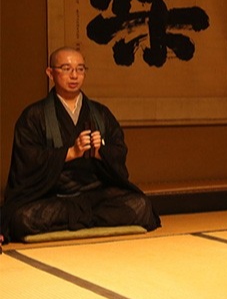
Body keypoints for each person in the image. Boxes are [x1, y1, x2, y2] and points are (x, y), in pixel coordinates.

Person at [1, 47, 160, 244]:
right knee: (23, 219)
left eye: (80, 69)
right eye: (66, 69)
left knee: (141, 206)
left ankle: (75, 221)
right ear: (50, 73)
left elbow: (119, 151)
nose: (74, 75)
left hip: (96, 194)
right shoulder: (34, 116)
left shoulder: (100, 113)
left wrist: (101, 152)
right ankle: (87, 220)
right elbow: (27, 161)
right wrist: (70, 153)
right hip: (54, 195)